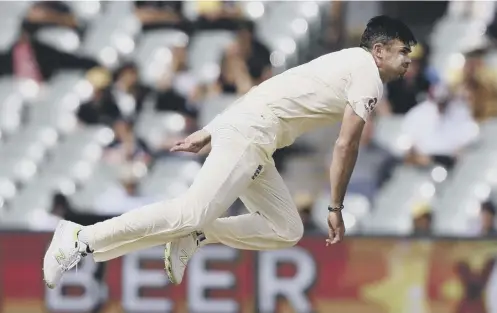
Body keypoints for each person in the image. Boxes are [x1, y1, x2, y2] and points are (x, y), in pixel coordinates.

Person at [43, 15, 416, 288]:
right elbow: (346, 144)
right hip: (252, 134)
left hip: (254, 136)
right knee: (189, 211)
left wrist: (213, 127)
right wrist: (335, 207)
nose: (408, 61)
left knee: (286, 228)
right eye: (403, 52)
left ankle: (198, 236)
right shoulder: (367, 72)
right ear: (379, 51)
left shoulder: (346, 61)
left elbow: (273, 90)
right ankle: (80, 238)